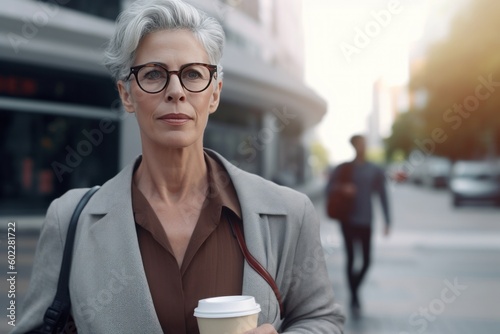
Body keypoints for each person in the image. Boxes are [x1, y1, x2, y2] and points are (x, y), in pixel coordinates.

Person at [12, 1, 345, 333]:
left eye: (193, 74)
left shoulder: (289, 213)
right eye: (154, 74)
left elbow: (321, 319)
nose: (176, 92)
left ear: (214, 94)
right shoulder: (69, 219)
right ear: (126, 94)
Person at [327, 134, 391, 313]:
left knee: (367, 261)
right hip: (347, 220)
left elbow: (383, 195)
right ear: (353, 146)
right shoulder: (344, 169)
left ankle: (354, 289)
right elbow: (329, 188)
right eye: (359, 144)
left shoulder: (374, 169)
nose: (362, 147)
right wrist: (342, 188)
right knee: (351, 259)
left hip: (366, 221)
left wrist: (387, 220)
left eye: (364, 143)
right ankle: (354, 296)